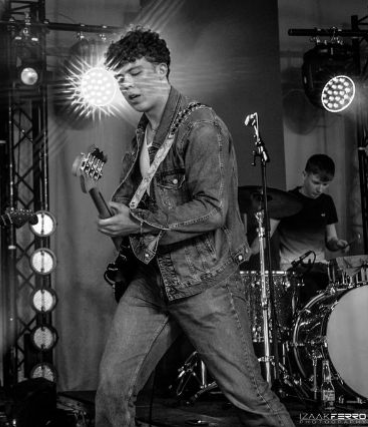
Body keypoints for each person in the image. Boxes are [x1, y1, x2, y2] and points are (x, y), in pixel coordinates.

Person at [94, 27, 294, 426]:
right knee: (112, 391)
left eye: (136, 72)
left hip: (205, 282)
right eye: (120, 78)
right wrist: (119, 215)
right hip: (152, 281)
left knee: (251, 400)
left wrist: (137, 221)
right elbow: (138, 206)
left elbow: (212, 210)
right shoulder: (142, 133)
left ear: (162, 70)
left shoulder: (201, 126)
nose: (127, 85)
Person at [251, 154, 349, 304]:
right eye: (316, 183)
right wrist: (250, 250)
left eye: (325, 184)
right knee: (310, 292)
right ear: (304, 175)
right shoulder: (286, 201)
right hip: (293, 270)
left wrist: (338, 244)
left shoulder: (327, 202)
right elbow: (265, 235)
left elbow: (331, 239)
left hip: (320, 269)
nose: (320, 189)